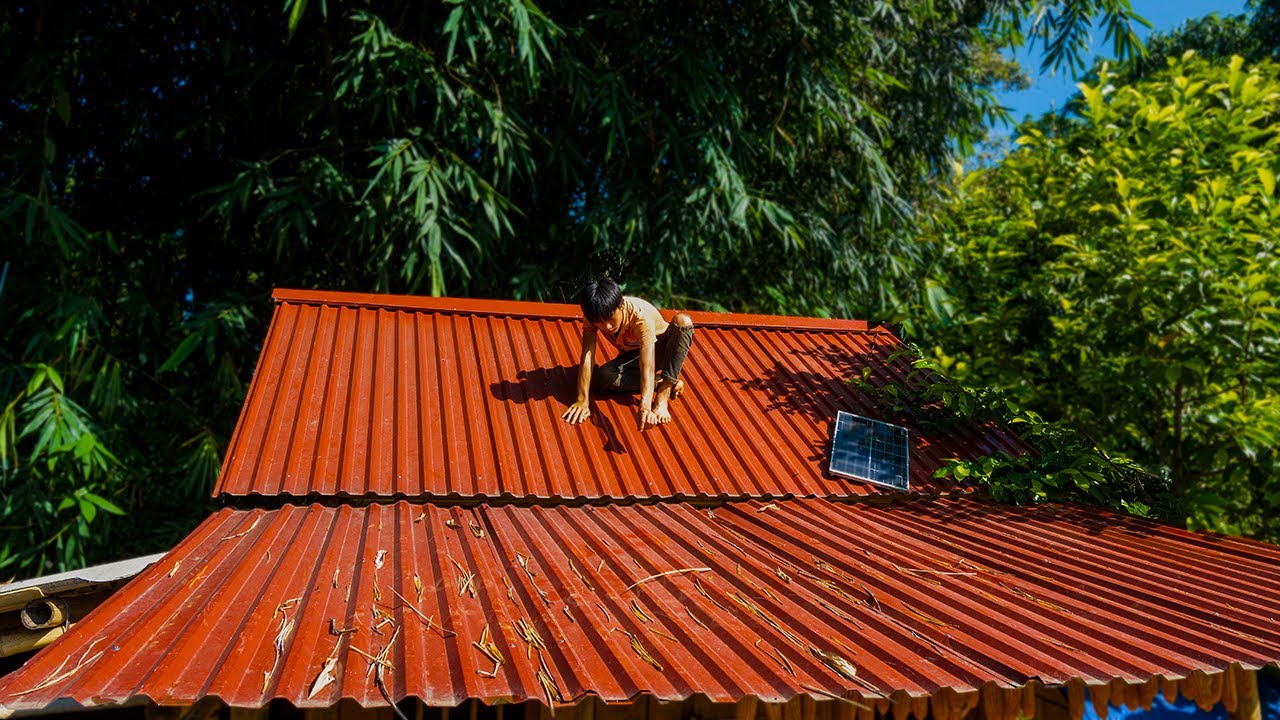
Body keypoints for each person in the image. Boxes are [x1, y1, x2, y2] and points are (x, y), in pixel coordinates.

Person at [561, 277, 694, 431]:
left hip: (661, 349)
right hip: (633, 356)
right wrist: (582, 400)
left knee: (683, 321)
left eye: (611, 319)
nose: (607, 326)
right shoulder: (593, 314)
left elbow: (647, 366)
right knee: (604, 376)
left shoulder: (640, 317)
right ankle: (659, 382)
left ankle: (664, 392)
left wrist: (645, 407)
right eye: (600, 322)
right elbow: (587, 355)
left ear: (621, 305)